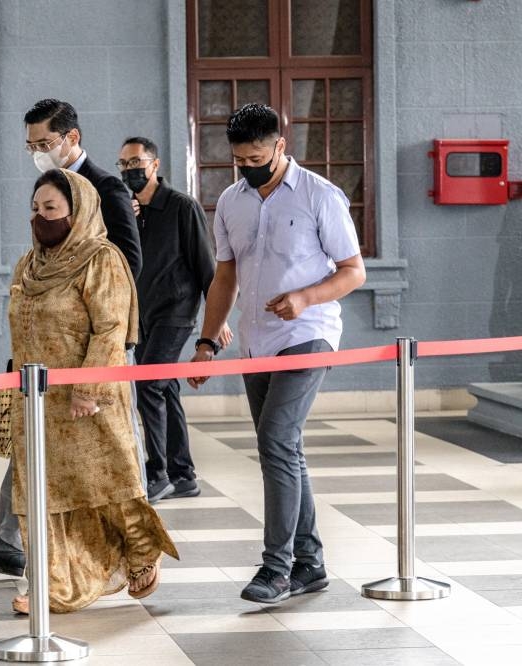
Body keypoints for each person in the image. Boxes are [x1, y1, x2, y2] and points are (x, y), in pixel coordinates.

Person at [0, 99, 146, 577]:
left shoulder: (105, 188)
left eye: (44, 143)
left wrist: (90, 354)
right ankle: (10, 541)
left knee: (112, 454)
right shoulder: (44, 205)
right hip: (42, 362)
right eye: (31, 145)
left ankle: (137, 547)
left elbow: (127, 263)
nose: (37, 152)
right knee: (28, 449)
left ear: (71, 138)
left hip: (91, 353)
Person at [188, 105, 366, 604]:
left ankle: (277, 569)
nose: (248, 167)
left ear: (279, 146)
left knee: (276, 439)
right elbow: (225, 276)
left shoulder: (319, 196)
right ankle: (310, 563)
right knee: (283, 448)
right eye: (240, 160)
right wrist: (206, 342)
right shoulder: (230, 201)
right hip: (256, 340)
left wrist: (306, 298)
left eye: (257, 158)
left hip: (309, 333)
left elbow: (354, 271)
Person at [9, 168, 177, 613]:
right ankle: (53, 582)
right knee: (44, 493)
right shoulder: (29, 265)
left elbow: (110, 329)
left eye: (51, 208)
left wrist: (88, 389)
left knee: (107, 485)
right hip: (38, 401)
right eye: (35, 208)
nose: (40, 217)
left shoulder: (101, 259)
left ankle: (141, 550)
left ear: (78, 211)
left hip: (88, 400)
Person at [117, 137, 232, 504]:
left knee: (148, 384)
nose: (130, 170)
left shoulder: (182, 206)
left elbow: (206, 264)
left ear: (155, 164)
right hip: (142, 316)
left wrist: (217, 319)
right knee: (164, 388)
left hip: (176, 312)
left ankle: (158, 473)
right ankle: (183, 474)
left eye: (136, 162)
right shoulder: (128, 210)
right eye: (123, 164)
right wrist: (126, 220)